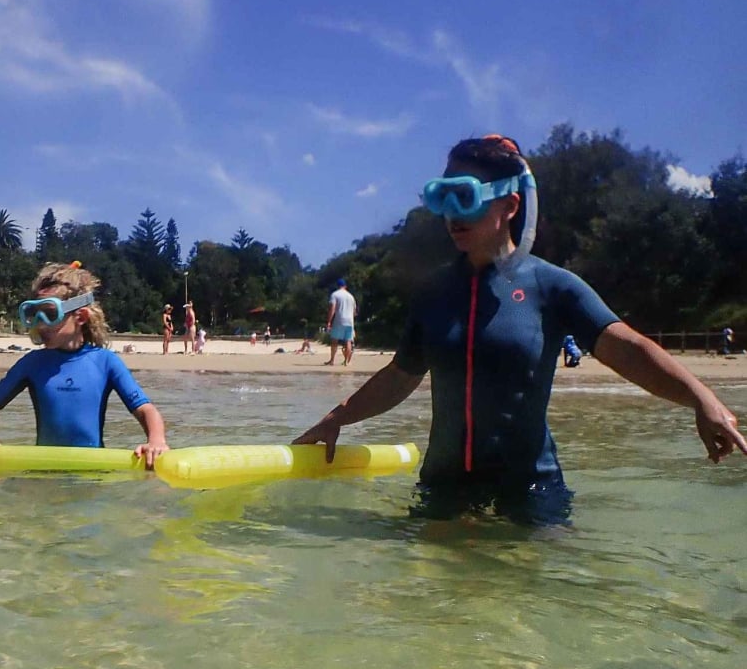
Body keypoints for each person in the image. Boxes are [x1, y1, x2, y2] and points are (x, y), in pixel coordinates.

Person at [293, 134, 745, 525]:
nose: (451, 213)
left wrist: (700, 399)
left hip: (531, 491)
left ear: (510, 204)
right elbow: (399, 376)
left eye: (465, 196)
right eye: (442, 197)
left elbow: (625, 346)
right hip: (445, 490)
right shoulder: (434, 293)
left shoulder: (551, 286)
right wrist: (337, 419)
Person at [0, 262, 169, 468]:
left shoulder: (105, 362)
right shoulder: (32, 363)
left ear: (79, 317)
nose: (40, 323)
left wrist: (156, 441)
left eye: (50, 314)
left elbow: (146, 410)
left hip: (93, 473)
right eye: (34, 314)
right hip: (44, 474)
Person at [324, 278, 356, 366]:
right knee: (348, 341)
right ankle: (347, 361)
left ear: (337, 286)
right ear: (345, 286)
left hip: (339, 320)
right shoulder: (351, 296)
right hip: (350, 321)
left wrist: (329, 321)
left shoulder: (335, 295)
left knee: (335, 340)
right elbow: (354, 312)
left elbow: (332, 309)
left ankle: (332, 360)